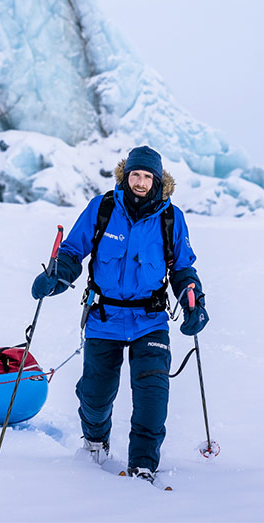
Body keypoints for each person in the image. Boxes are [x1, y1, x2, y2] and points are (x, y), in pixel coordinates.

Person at [30, 145, 208, 482]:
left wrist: (193, 303)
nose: (140, 182)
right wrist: (58, 277)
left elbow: (183, 269)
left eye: (147, 176)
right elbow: (72, 251)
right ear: (125, 176)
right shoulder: (103, 209)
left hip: (149, 320)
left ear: (158, 180)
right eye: (135, 175)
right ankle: (95, 442)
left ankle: (144, 464)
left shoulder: (172, 219)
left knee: (152, 397)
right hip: (104, 318)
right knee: (94, 396)